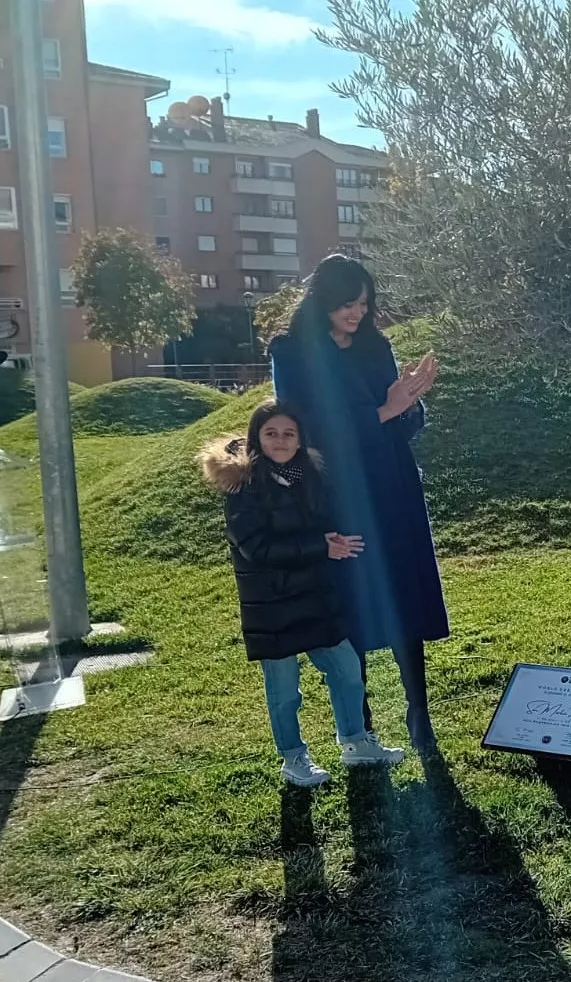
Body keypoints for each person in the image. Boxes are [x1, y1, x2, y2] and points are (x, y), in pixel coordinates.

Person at [268, 255, 448, 753]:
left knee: (403, 594)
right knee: (352, 600)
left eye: (364, 304)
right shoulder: (292, 352)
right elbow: (308, 431)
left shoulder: (375, 344)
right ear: (323, 299)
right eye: (347, 303)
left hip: (392, 486)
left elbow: (401, 423)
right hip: (338, 490)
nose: (357, 313)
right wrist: (386, 410)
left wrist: (411, 404)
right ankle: (359, 725)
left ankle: (419, 712)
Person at [199, 400, 405, 785]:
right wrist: (321, 546)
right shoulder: (242, 485)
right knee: (284, 691)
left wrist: (333, 538)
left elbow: (319, 525)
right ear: (256, 437)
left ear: (300, 439)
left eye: (288, 433)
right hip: (272, 602)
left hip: (314, 596)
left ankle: (356, 742)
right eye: (271, 433)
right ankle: (293, 758)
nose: (280, 440)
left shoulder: (309, 475)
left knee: (347, 672)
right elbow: (255, 549)